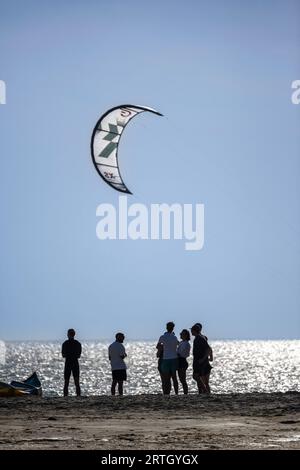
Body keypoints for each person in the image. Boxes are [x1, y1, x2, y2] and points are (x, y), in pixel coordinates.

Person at [156, 322, 179, 395]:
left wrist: (162, 349)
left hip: (165, 358)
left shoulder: (162, 337)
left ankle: (166, 393)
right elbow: (178, 344)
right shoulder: (174, 337)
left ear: (166, 327)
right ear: (173, 328)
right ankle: (176, 393)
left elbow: (158, 346)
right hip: (174, 358)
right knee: (174, 377)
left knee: (166, 378)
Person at [191, 324, 212, 394]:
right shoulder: (198, 337)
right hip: (198, 360)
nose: (191, 331)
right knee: (199, 377)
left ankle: (205, 391)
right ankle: (204, 392)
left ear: (195, 330)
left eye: (192, 330)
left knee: (196, 376)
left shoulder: (200, 338)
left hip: (200, 361)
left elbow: (208, 349)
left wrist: (203, 359)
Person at [62, 328, 82, 396]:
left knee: (66, 382)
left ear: (67, 335)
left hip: (68, 363)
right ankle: (78, 396)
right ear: (74, 334)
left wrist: (68, 354)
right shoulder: (78, 343)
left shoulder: (65, 343)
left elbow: (63, 355)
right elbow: (79, 356)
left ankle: (65, 396)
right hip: (75, 363)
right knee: (77, 382)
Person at [177, 329, 191, 394]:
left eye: (181, 334)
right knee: (181, 379)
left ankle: (186, 393)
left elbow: (182, 354)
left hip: (182, 361)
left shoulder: (186, 344)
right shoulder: (182, 342)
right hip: (179, 361)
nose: (180, 334)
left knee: (183, 379)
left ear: (185, 335)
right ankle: (185, 393)